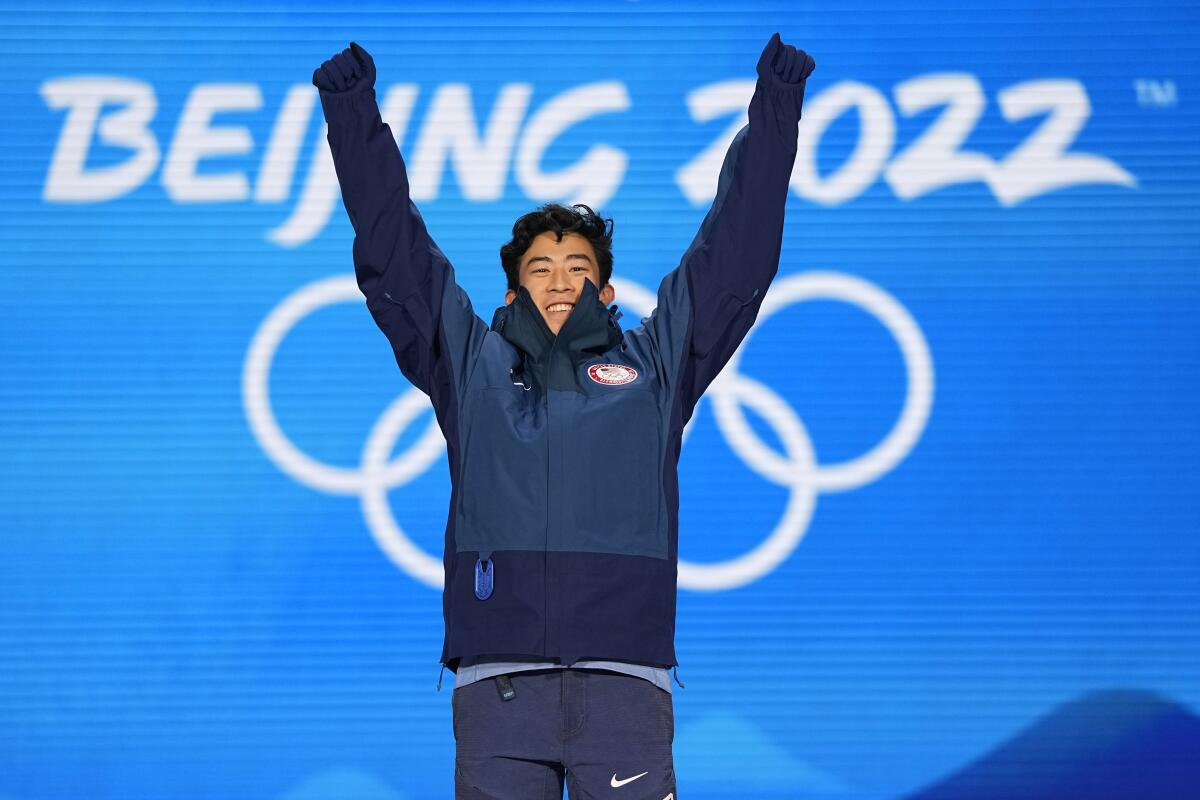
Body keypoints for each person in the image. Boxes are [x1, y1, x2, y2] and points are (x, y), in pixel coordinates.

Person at [313, 32, 815, 800]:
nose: (560, 283)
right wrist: (351, 112)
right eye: (539, 270)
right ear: (510, 294)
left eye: (579, 270)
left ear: (607, 294)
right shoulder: (468, 362)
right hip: (497, 691)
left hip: (625, 687)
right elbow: (394, 249)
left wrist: (777, 106)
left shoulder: (655, 366)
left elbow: (736, 255)